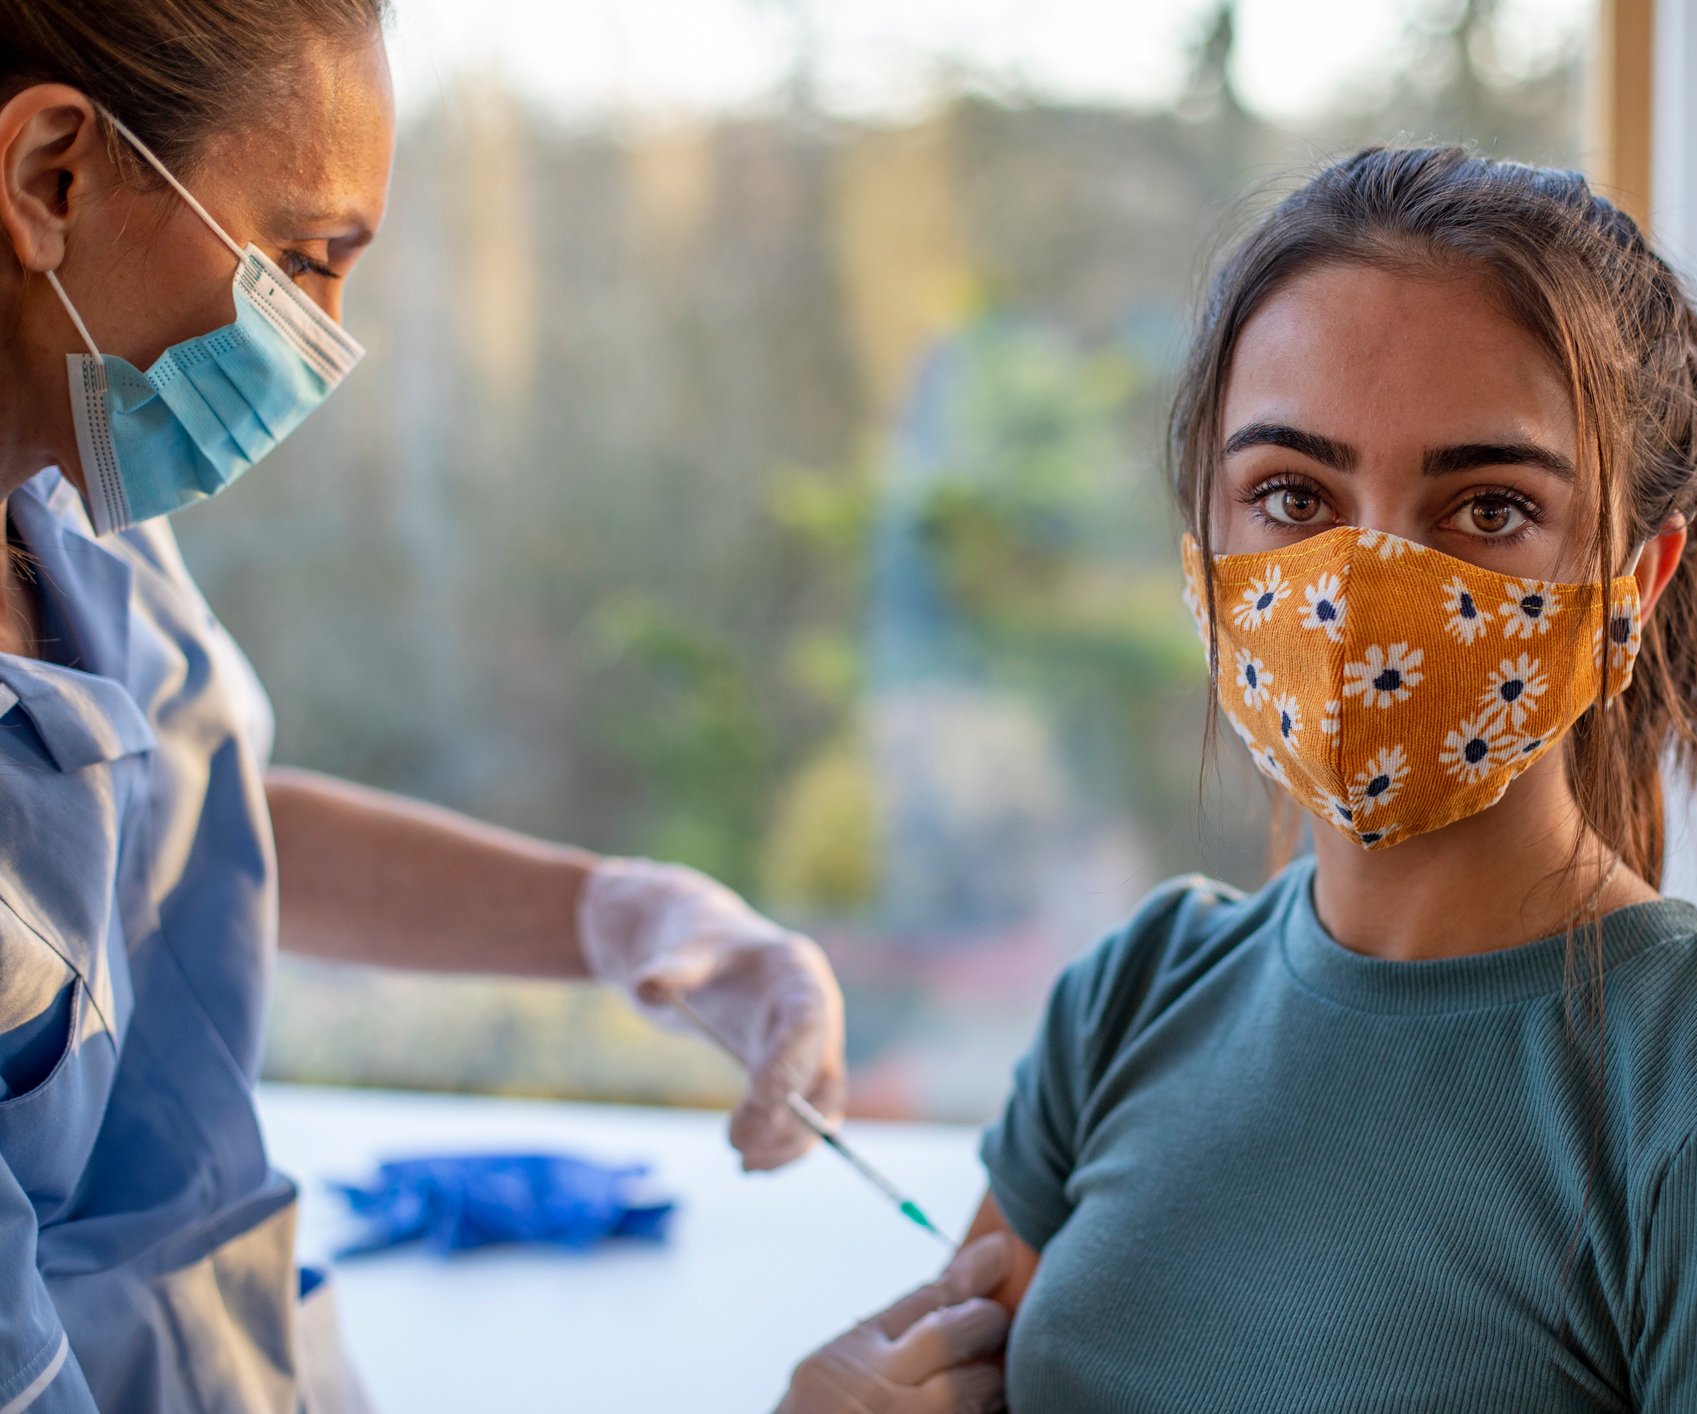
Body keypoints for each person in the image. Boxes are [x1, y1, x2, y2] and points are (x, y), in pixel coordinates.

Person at [0, 2, 1003, 1410]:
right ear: (52, 175)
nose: (326, 344)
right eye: (299, 260)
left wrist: (618, 911)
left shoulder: (66, 497)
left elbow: (160, 826)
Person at [966, 146, 1697, 1410]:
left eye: (1486, 508)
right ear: (1203, 550)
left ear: (1635, 582)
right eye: (1290, 493)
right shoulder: (1129, 1002)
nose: (1367, 586)